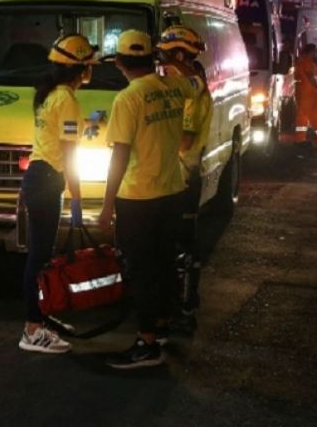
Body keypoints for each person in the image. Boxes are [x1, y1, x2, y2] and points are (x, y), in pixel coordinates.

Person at [98, 29, 203, 369]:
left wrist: (107, 204)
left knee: (142, 270)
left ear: (119, 63)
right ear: (152, 58)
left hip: (138, 196)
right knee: (164, 264)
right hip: (171, 192)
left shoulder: (128, 98)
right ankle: (161, 327)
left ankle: (146, 343)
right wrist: (175, 59)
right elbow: (196, 81)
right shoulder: (174, 86)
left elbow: (119, 155)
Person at [18, 34, 97, 354]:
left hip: (38, 177)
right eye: (89, 64)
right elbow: (68, 152)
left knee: (42, 254)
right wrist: (77, 196)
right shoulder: (66, 99)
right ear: (81, 69)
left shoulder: (50, 94)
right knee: (39, 256)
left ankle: (41, 317)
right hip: (47, 180)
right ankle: (32, 329)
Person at [156, 26, 211, 335]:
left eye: (165, 58)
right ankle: (184, 304)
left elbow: (184, 141)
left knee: (183, 248)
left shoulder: (191, 95)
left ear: (179, 56)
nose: (162, 66)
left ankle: (184, 309)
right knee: (181, 244)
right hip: (182, 177)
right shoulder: (192, 85)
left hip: (183, 179)